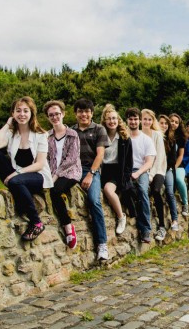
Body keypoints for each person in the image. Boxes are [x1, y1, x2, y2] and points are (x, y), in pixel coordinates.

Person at [0, 96, 53, 241]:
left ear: (32, 113)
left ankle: (36, 222)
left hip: (37, 176)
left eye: (26, 111)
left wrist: (16, 174)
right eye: (18, 111)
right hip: (16, 175)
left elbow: (40, 164)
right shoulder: (12, 133)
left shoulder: (41, 134)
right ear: (13, 114)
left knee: (16, 182)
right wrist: (7, 125)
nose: (22, 114)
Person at [72, 98, 111, 261]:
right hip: (73, 170)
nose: (84, 114)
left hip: (91, 170)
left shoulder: (99, 129)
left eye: (87, 111)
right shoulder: (71, 131)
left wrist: (91, 174)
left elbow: (100, 154)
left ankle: (102, 244)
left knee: (94, 200)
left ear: (92, 113)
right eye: (80, 111)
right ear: (75, 114)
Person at [44, 100, 82, 249]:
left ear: (63, 114)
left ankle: (67, 226)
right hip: (52, 172)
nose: (55, 117)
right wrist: (50, 174)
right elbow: (45, 158)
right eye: (51, 115)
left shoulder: (73, 134)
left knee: (55, 190)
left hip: (70, 172)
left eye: (57, 114)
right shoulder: (47, 136)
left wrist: (56, 175)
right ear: (48, 117)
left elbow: (72, 159)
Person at [141, 109, 177, 242]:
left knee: (156, 190)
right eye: (144, 119)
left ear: (152, 121)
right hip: (143, 170)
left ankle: (161, 226)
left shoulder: (157, 135)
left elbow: (160, 157)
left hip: (158, 170)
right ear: (141, 120)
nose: (147, 122)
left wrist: (150, 175)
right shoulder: (137, 134)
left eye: (149, 119)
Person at [100, 104, 132, 236]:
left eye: (114, 118)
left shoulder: (124, 138)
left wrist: (126, 178)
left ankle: (121, 217)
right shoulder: (100, 135)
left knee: (108, 189)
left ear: (118, 120)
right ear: (104, 121)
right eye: (109, 119)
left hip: (116, 171)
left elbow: (129, 161)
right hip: (102, 170)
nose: (112, 121)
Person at [125, 107, 156, 243]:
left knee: (142, 190)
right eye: (130, 119)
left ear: (139, 120)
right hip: (126, 170)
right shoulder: (124, 138)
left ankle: (146, 230)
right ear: (127, 121)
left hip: (141, 170)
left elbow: (149, 162)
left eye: (135, 119)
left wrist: (137, 173)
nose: (133, 122)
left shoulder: (146, 140)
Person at [169, 113, 189, 216]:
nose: (173, 123)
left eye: (176, 122)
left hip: (178, 165)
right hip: (165, 165)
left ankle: (185, 203)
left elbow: (181, 156)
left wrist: (174, 168)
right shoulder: (163, 134)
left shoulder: (181, 138)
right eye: (172, 121)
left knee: (179, 180)